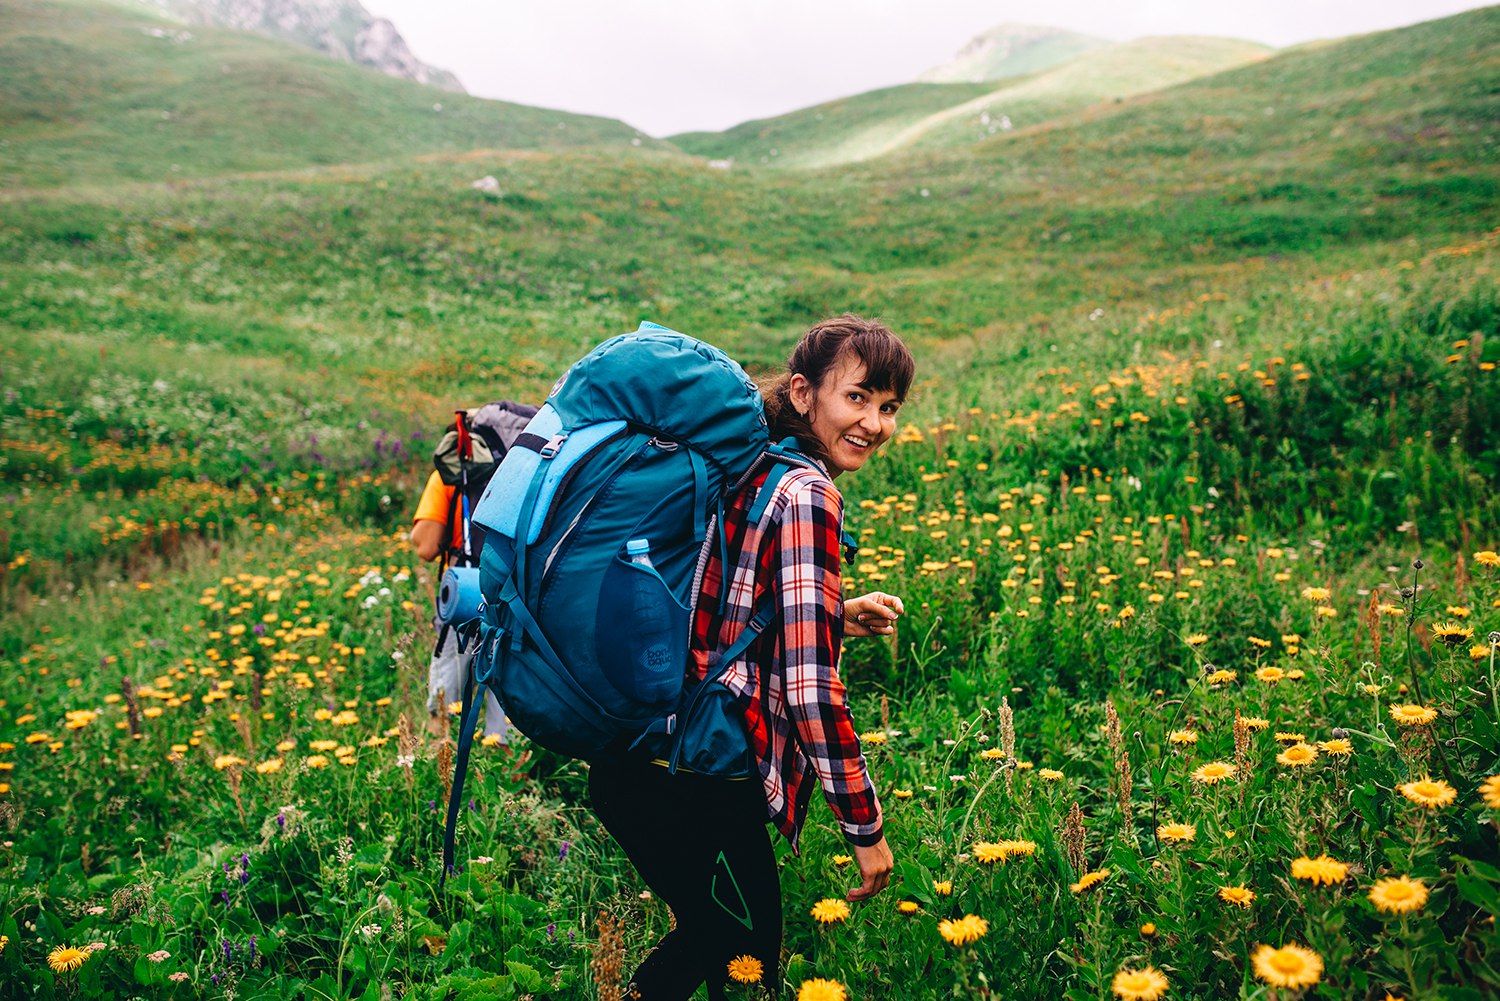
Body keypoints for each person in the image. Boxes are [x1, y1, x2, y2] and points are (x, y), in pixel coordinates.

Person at [585, 314, 913, 999]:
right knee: (747, 962)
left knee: (715, 941)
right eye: (857, 398)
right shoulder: (809, 493)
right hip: (700, 775)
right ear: (802, 392)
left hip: (634, 756)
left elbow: (721, 602)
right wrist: (864, 825)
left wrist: (834, 616)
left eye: (888, 407)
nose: (875, 424)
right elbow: (810, 686)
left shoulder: (751, 463)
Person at [411, 463, 509, 741]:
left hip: (462, 597)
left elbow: (426, 546)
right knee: (510, 709)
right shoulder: (532, 459)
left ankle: (441, 771)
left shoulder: (454, 469)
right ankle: (508, 775)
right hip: (517, 599)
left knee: (444, 706)